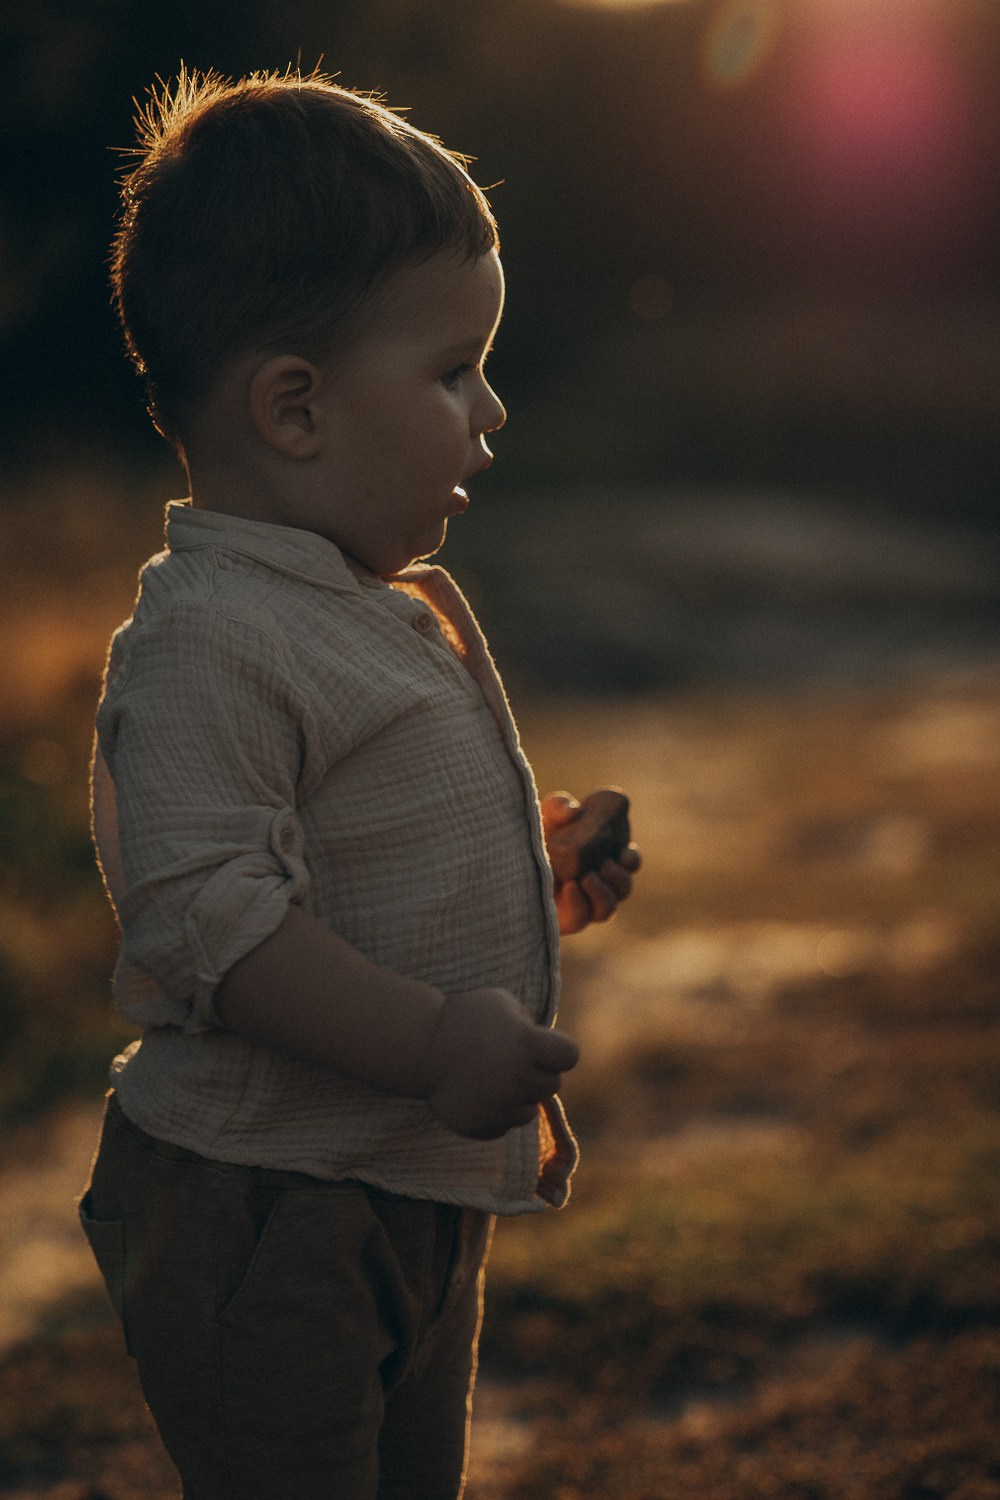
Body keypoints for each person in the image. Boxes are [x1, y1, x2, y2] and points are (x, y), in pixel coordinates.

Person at [79, 67, 640, 1500]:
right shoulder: (206, 642)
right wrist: (434, 1042)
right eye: (454, 370)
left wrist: (533, 864)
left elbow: (356, 856)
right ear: (296, 409)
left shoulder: (350, 603)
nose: (493, 408)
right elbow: (215, 921)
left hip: (399, 1185)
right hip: (267, 1211)